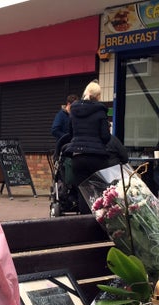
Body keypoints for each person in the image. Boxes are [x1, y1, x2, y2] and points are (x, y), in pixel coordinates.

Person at [65, 81, 111, 213]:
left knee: (83, 192)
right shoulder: (100, 111)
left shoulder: (74, 110)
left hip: (78, 157)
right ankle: (98, 220)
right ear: (98, 95)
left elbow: (70, 134)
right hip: (97, 158)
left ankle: (84, 221)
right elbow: (105, 137)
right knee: (99, 191)